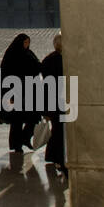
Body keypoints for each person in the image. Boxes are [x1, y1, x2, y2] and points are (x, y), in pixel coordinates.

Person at [1, 32, 42, 152]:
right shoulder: (12, 54)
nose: (27, 45)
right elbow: (5, 73)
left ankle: (25, 138)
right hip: (17, 90)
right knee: (17, 120)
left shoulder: (29, 53)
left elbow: (37, 66)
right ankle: (16, 144)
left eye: (28, 42)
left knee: (33, 116)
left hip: (30, 90)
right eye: (25, 42)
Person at [42, 33, 67, 177]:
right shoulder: (62, 60)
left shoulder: (48, 59)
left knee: (57, 129)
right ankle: (57, 156)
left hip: (51, 100)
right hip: (59, 100)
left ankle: (51, 154)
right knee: (59, 130)